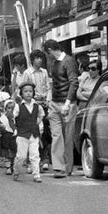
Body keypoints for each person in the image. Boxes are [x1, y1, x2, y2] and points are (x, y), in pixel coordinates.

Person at [42, 39, 80, 178]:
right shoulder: (54, 63)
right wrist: (49, 98)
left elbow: (74, 82)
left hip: (67, 104)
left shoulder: (68, 61)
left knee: (68, 137)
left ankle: (67, 167)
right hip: (54, 103)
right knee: (56, 135)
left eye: (47, 54)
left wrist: (67, 102)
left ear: (50, 51)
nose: (47, 57)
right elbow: (54, 83)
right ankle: (58, 168)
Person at [24, 49, 52, 171]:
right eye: (37, 58)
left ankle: (45, 159)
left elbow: (49, 87)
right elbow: (24, 90)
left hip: (44, 104)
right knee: (32, 133)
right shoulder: (28, 73)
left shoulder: (44, 72)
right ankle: (32, 161)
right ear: (32, 60)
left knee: (44, 131)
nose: (39, 60)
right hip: (32, 104)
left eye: (41, 58)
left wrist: (48, 100)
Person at [13, 81, 45, 183]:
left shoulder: (37, 106)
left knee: (34, 155)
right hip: (22, 134)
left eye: (30, 91)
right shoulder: (18, 106)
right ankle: (16, 170)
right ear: (21, 93)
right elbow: (13, 117)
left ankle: (36, 174)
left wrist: (38, 123)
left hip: (34, 134)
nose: (28, 93)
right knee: (21, 156)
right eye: (25, 91)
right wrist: (15, 127)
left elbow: (41, 114)